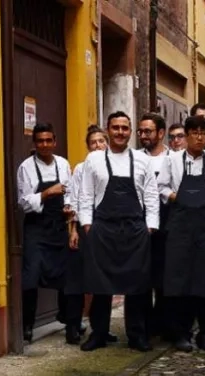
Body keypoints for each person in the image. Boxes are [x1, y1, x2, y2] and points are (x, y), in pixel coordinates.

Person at [79, 111, 159, 352]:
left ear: (130, 131)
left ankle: (136, 335)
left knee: (136, 286)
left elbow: (152, 195)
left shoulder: (142, 160)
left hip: (135, 230)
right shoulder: (93, 160)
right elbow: (86, 194)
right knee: (100, 285)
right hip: (103, 228)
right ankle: (99, 333)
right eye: (116, 128)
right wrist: (87, 224)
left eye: (125, 128)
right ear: (108, 129)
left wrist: (150, 225)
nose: (120, 132)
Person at [159, 115, 205, 353]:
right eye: (195, 132)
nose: (199, 137)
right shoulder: (173, 161)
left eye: (203, 133)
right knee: (179, 281)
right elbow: (162, 187)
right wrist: (179, 197)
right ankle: (181, 333)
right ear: (186, 136)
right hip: (179, 226)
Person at [17, 123, 72, 344]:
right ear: (35, 143)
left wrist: (69, 208)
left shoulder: (63, 164)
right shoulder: (26, 168)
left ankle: (68, 318)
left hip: (58, 226)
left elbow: (70, 193)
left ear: (55, 142)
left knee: (65, 275)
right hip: (36, 228)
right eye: (40, 141)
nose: (45, 145)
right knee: (30, 277)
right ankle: (27, 325)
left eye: (49, 140)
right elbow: (23, 202)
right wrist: (47, 193)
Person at [63, 126, 114, 345]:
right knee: (78, 279)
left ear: (107, 143)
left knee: (104, 281)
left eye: (101, 141)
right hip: (84, 228)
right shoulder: (80, 169)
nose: (97, 145)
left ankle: (101, 328)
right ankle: (73, 326)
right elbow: (73, 200)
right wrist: (73, 230)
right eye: (93, 142)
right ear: (88, 146)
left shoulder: (114, 166)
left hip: (106, 229)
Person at [137, 113, 170, 339]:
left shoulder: (173, 159)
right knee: (141, 277)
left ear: (160, 133)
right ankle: (144, 325)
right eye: (140, 132)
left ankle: (163, 323)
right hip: (140, 225)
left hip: (167, 225)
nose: (143, 136)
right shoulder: (135, 158)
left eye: (148, 131)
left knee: (164, 277)